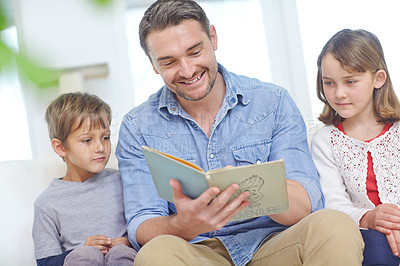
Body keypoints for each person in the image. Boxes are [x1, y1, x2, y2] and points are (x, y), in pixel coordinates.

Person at [116, 1, 363, 265]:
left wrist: (259, 190)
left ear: (213, 38)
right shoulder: (137, 127)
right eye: (169, 62)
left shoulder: (273, 102)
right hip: (197, 252)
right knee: (155, 253)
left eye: (194, 51)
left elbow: (307, 202)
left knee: (334, 224)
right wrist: (182, 225)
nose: (187, 70)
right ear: (153, 65)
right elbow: (142, 224)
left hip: (275, 243)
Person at [311, 29, 400, 266]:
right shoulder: (325, 141)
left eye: (350, 81)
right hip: (366, 234)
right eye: (329, 83)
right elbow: (334, 204)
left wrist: (394, 224)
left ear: (378, 79)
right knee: (378, 250)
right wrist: (370, 218)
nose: (339, 93)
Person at [32, 92, 137, 266]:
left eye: (105, 137)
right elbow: (45, 262)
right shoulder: (46, 204)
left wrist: (131, 242)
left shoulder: (123, 181)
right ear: (60, 147)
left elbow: (146, 228)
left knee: (121, 253)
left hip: (123, 259)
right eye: (87, 140)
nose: (100, 147)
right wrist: (82, 250)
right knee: (85, 255)